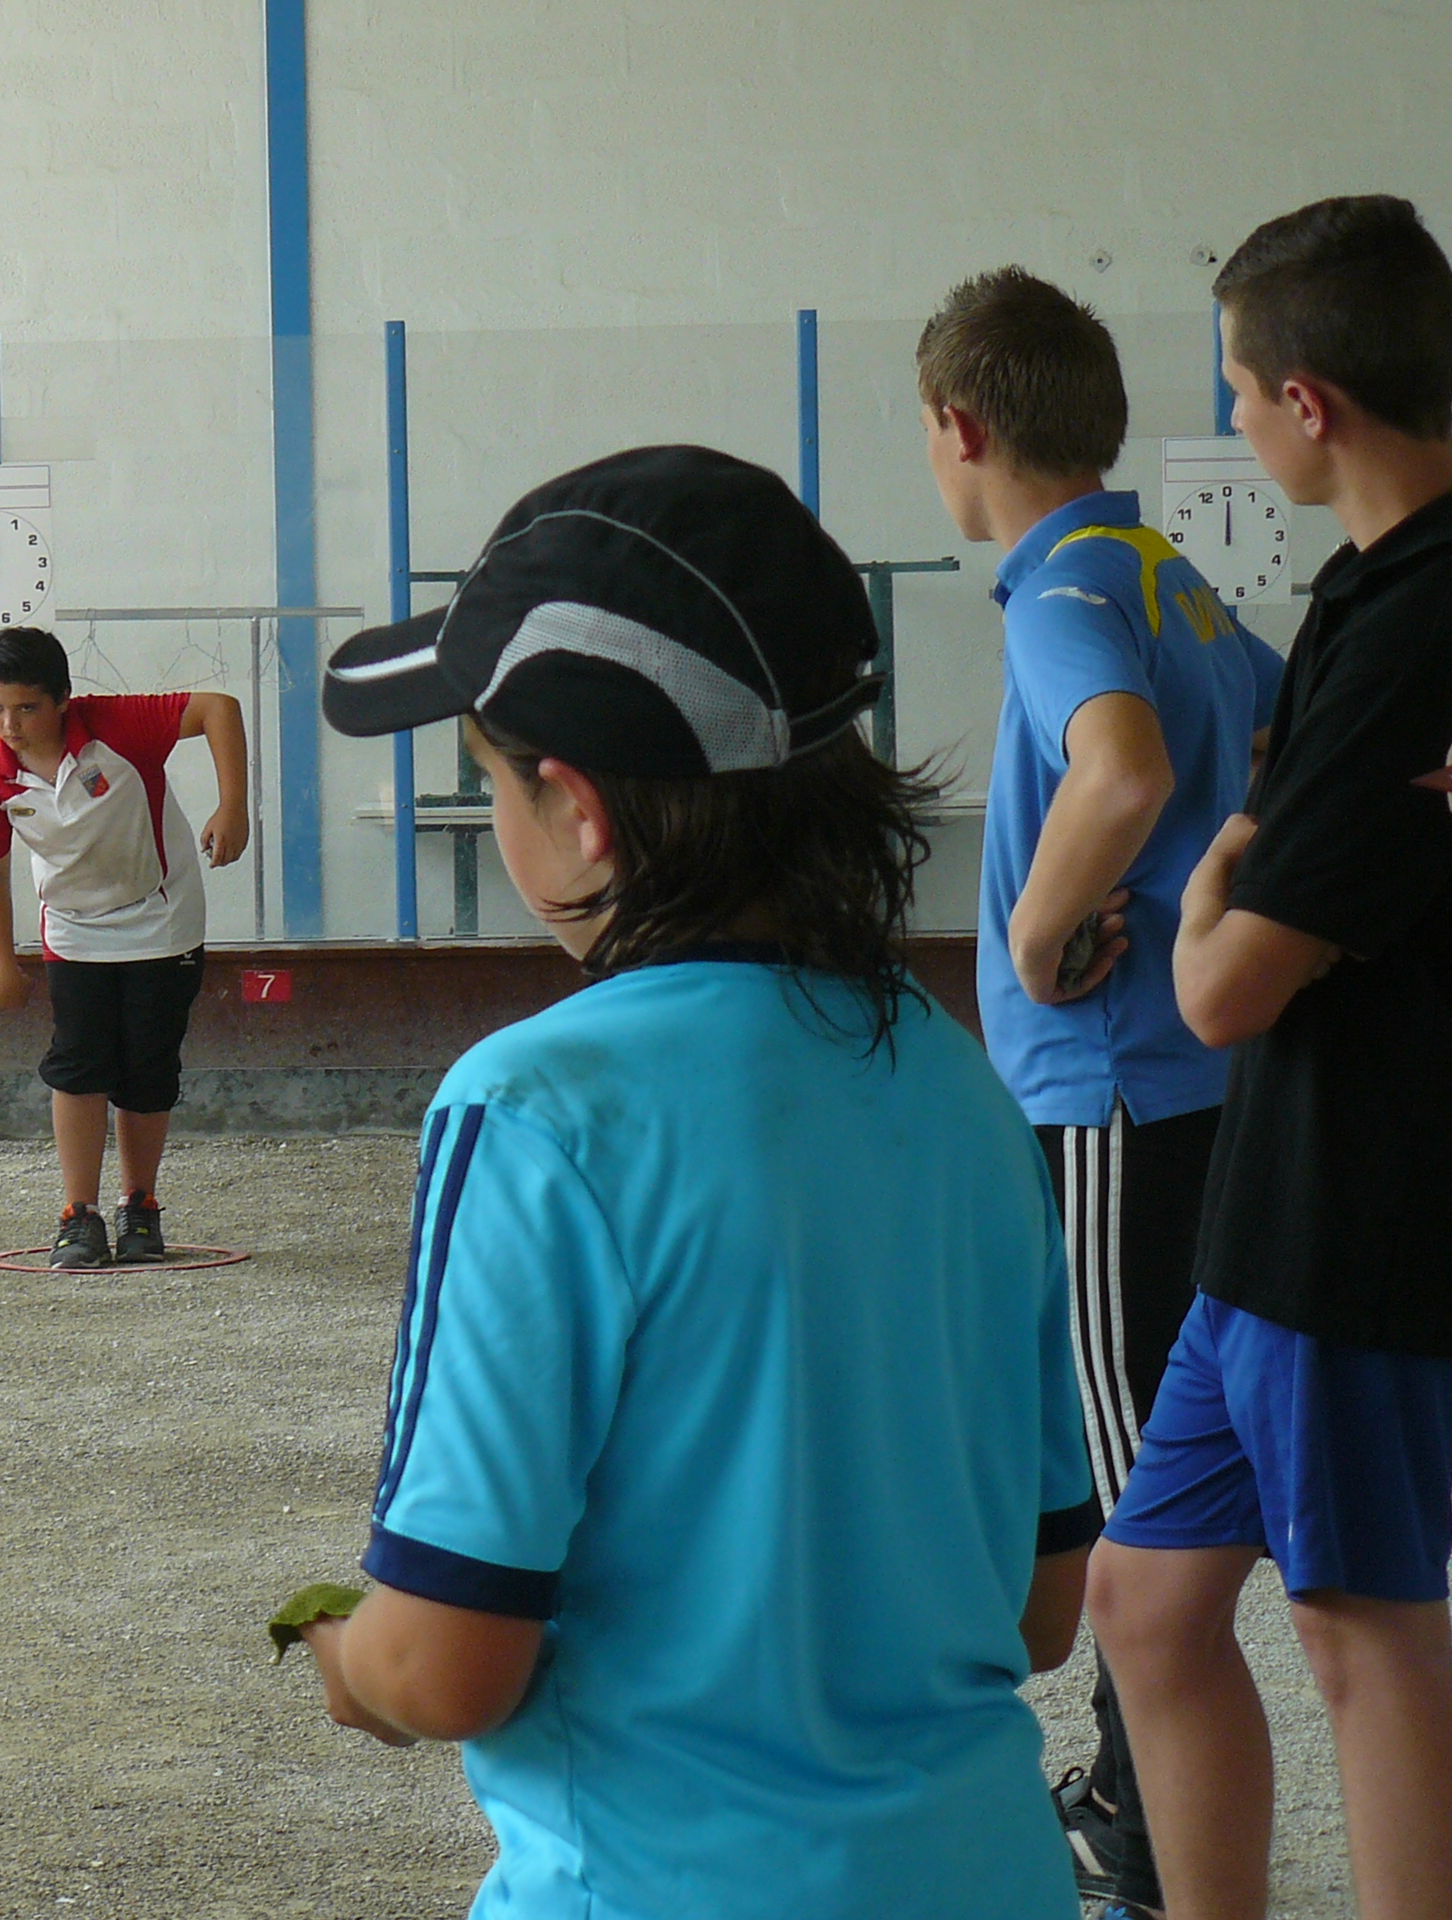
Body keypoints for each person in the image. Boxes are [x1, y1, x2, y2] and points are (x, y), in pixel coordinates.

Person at [294, 445, 1097, 1920]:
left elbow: (449, 1662)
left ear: (580, 810)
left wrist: (348, 1659)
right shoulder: (961, 1084)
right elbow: (1044, 1610)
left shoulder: (533, 1109)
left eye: (496, 782)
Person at [1087, 194, 1452, 1920]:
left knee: (1360, 1633)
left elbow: (1225, 987)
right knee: (1146, 1606)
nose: (1230, 419)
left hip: (1357, 1216)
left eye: (1237, 390)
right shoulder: (1362, 595)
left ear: (1309, 401)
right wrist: (1235, 871)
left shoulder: (1413, 632)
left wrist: (1208, 890)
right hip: (1265, 1218)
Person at [916, 266, 1286, 1917]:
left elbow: (1122, 768)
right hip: (1192, 1078)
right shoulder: (1169, 570)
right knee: (1153, 1452)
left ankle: (1140, 1823)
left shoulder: (1063, 583)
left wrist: (1048, 920)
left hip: (1112, 1089)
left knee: (1139, 1486)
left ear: (961, 427)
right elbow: (1274, 766)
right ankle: (1130, 1779)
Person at [0, 626, 248, 1269]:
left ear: (63, 698)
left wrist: (234, 807)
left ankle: (139, 1206)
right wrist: (1, 966)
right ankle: (78, 1215)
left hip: (162, 919)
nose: (10, 723)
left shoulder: (117, 727)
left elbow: (218, 709)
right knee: (79, 1061)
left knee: (147, 1065)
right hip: (72, 930)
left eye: (27, 707)